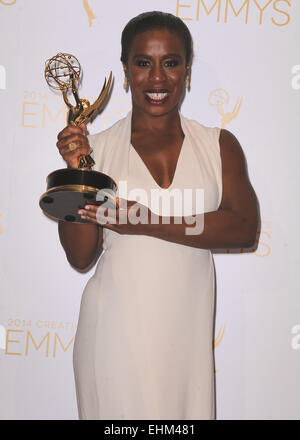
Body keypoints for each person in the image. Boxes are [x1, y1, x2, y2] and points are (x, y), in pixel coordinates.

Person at [56, 11, 258, 420]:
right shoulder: (98, 150)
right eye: (143, 63)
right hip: (114, 333)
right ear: (126, 70)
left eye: (171, 62)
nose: (158, 78)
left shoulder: (219, 145)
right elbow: (80, 257)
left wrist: (146, 222)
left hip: (186, 338)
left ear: (186, 69)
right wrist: (79, 171)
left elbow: (243, 228)